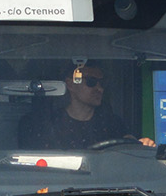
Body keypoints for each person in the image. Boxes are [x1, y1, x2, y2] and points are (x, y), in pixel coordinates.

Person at [17, 61, 156, 150]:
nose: (99, 88)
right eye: (91, 82)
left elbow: (129, 145)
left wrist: (142, 145)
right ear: (70, 84)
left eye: (102, 83)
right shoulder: (47, 125)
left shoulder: (113, 123)